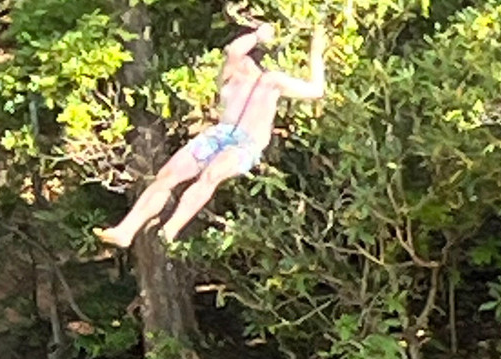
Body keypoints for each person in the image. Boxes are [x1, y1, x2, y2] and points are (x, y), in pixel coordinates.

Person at [93, 21, 327, 248]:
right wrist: (257, 34)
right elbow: (233, 51)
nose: (235, 60)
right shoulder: (229, 77)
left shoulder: (271, 81)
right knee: (166, 176)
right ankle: (125, 230)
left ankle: (171, 229)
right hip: (218, 135)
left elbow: (316, 90)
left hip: (246, 144)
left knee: (211, 175)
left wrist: (315, 52)